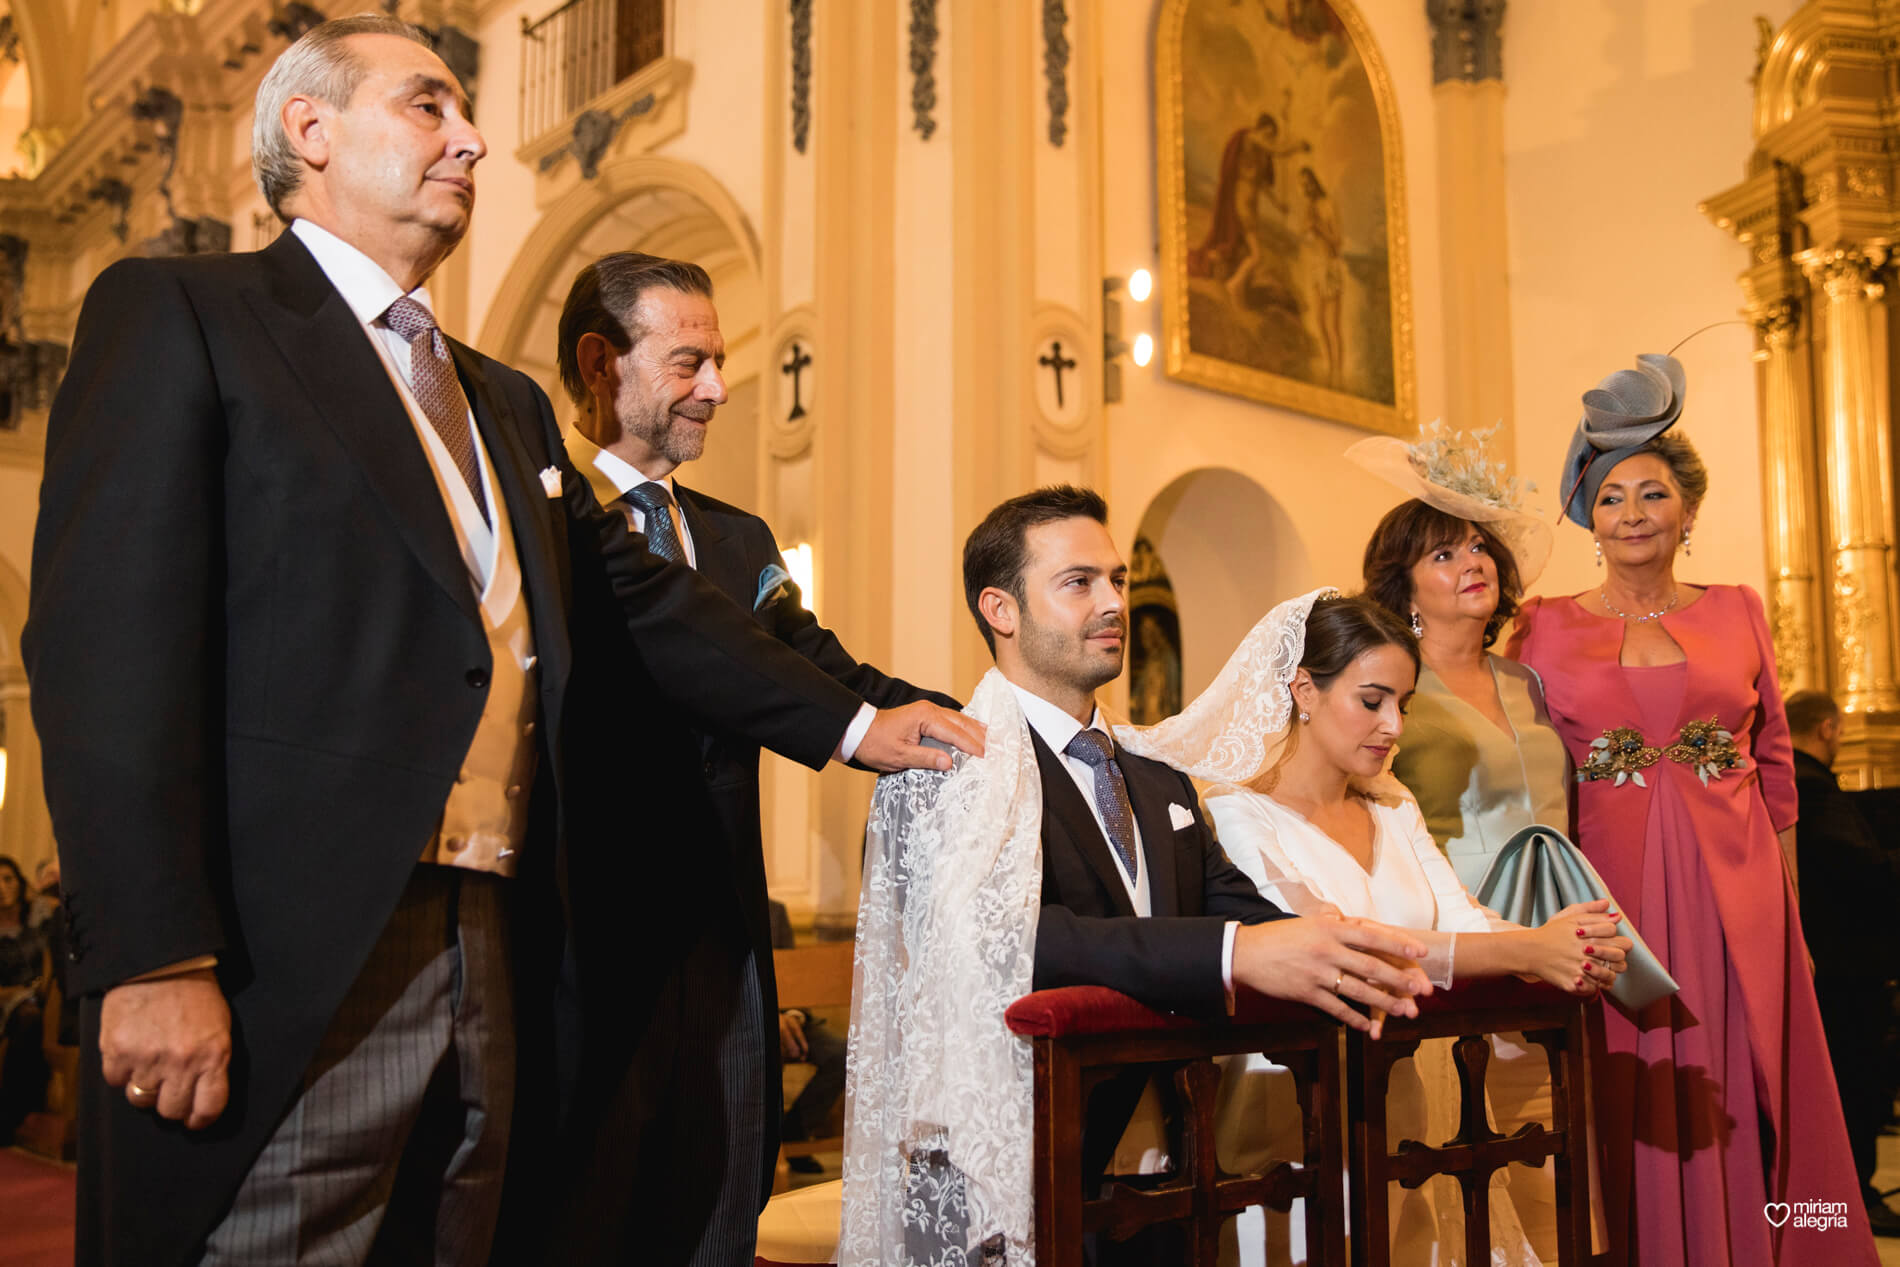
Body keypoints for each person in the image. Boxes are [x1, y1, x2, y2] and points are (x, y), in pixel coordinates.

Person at [21, 17, 980, 1267]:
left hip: (498, 932)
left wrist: (856, 724)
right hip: (292, 943)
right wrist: (152, 952)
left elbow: (638, 594)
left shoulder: (500, 399)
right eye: (428, 106)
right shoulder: (183, 313)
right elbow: (106, 652)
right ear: (308, 131)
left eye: (464, 112)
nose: (472, 137)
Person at [841, 486, 1436, 1267]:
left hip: (1162, 1175)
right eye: (1078, 582)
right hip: (1006, 1167)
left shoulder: (1160, 780)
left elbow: (1234, 905)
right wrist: (1231, 955)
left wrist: (1315, 940)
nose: (1114, 602)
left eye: (1117, 579)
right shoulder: (946, 767)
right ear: (1002, 608)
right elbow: (1010, 935)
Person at [530, 251, 958, 1264]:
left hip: (721, 939)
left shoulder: (735, 535)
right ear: (602, 363)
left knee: (718, 1211)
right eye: (688, 362)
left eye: (718, 360)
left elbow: (812, 665)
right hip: (582, 940)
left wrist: (960, 725)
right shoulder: (543, 516)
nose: (718, 388)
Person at [1115, 592, 1627, 1266]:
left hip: (1417, 1110)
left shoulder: (1393, 803)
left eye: (1403, 705)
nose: (1393, 726)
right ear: (1304, 689)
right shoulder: (1238, 814)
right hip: (1299, 1121)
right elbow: (1343, 945)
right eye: (1372, 699)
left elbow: (1464, 917)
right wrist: (1533, 946)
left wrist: (1570, 941)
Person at [1507, 352, 1875, 1265]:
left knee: (1758, 1078)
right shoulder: (1541, 624)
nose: (1632, 513)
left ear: (1689, 509)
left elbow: (1778, 771)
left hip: (1739, 889)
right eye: (1611, 496)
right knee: (1632, 1082)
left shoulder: (1742, 609)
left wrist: (1788, 914)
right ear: (1589, 517)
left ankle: (1783, 1243)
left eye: (1652, 493)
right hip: (1612, 892)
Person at [1784, 689, 1900, 1237]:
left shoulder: (1796, 786)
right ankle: (1852, 1194)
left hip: (1826, 960)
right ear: (1828, 728)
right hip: (1844, 967)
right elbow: (1865, 870)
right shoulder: (1812, 788)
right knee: (1856, 1082)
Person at [0, 854, 49, 1146]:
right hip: (5, 1000)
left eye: (8, 879)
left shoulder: (36, 922)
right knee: (27, 1017)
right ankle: (10, 1116)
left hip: (37, 999)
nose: (3, 887)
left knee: (34, 1015)